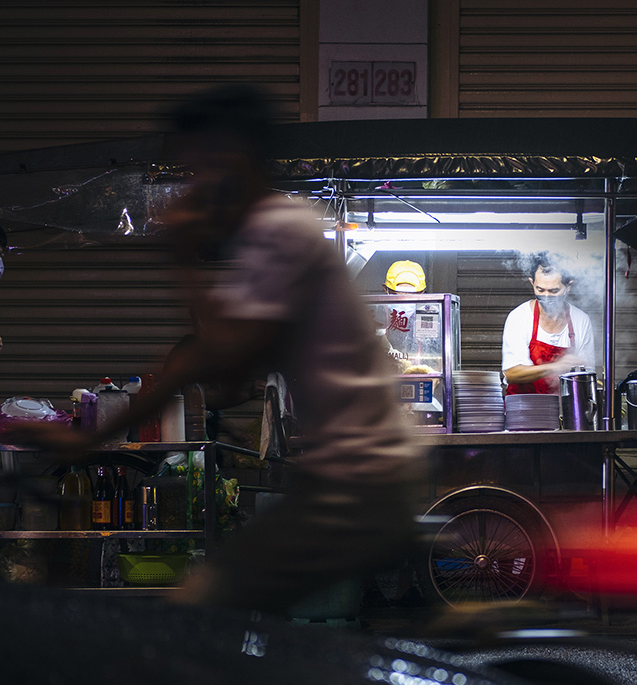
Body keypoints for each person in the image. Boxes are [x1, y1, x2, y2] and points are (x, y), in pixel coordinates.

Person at [19, 84, 421, 613]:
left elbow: (216, 359)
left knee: (203, 609)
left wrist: (181, 256)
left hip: (360, 480)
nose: (192, 185)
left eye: (197, 168)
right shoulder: (266, 238)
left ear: (228, 159)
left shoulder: (281, 231)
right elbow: (223, 379)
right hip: (349, 476)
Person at [502, 259, 595, 395]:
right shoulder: (519, 317)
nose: (546, 297)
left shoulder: (581, 320)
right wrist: (556, 367)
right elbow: (512, 373)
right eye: (540, 289)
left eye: (553, 291)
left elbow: (587, 376)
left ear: (568, 287)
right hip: (522, 410)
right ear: (532, 283)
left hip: (563, 411)